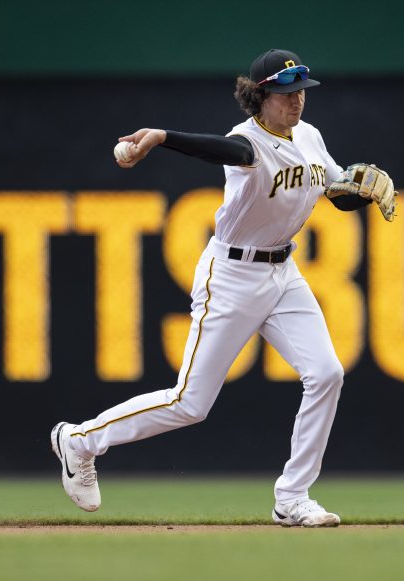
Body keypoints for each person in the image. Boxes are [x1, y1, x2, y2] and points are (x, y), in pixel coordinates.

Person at [50, 49, 382, 527]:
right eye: (286, 93)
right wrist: (162, 137)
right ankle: (78, 441)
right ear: (261, 96)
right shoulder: (246, 140)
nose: (297, 102)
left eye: (301, 92)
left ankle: (292, 497)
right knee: (190, 403)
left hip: (283, 274)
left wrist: (363, 191)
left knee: (327, 374)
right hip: (231, 276)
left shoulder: (309, 137)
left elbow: (338, 195)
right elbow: (219, 150)